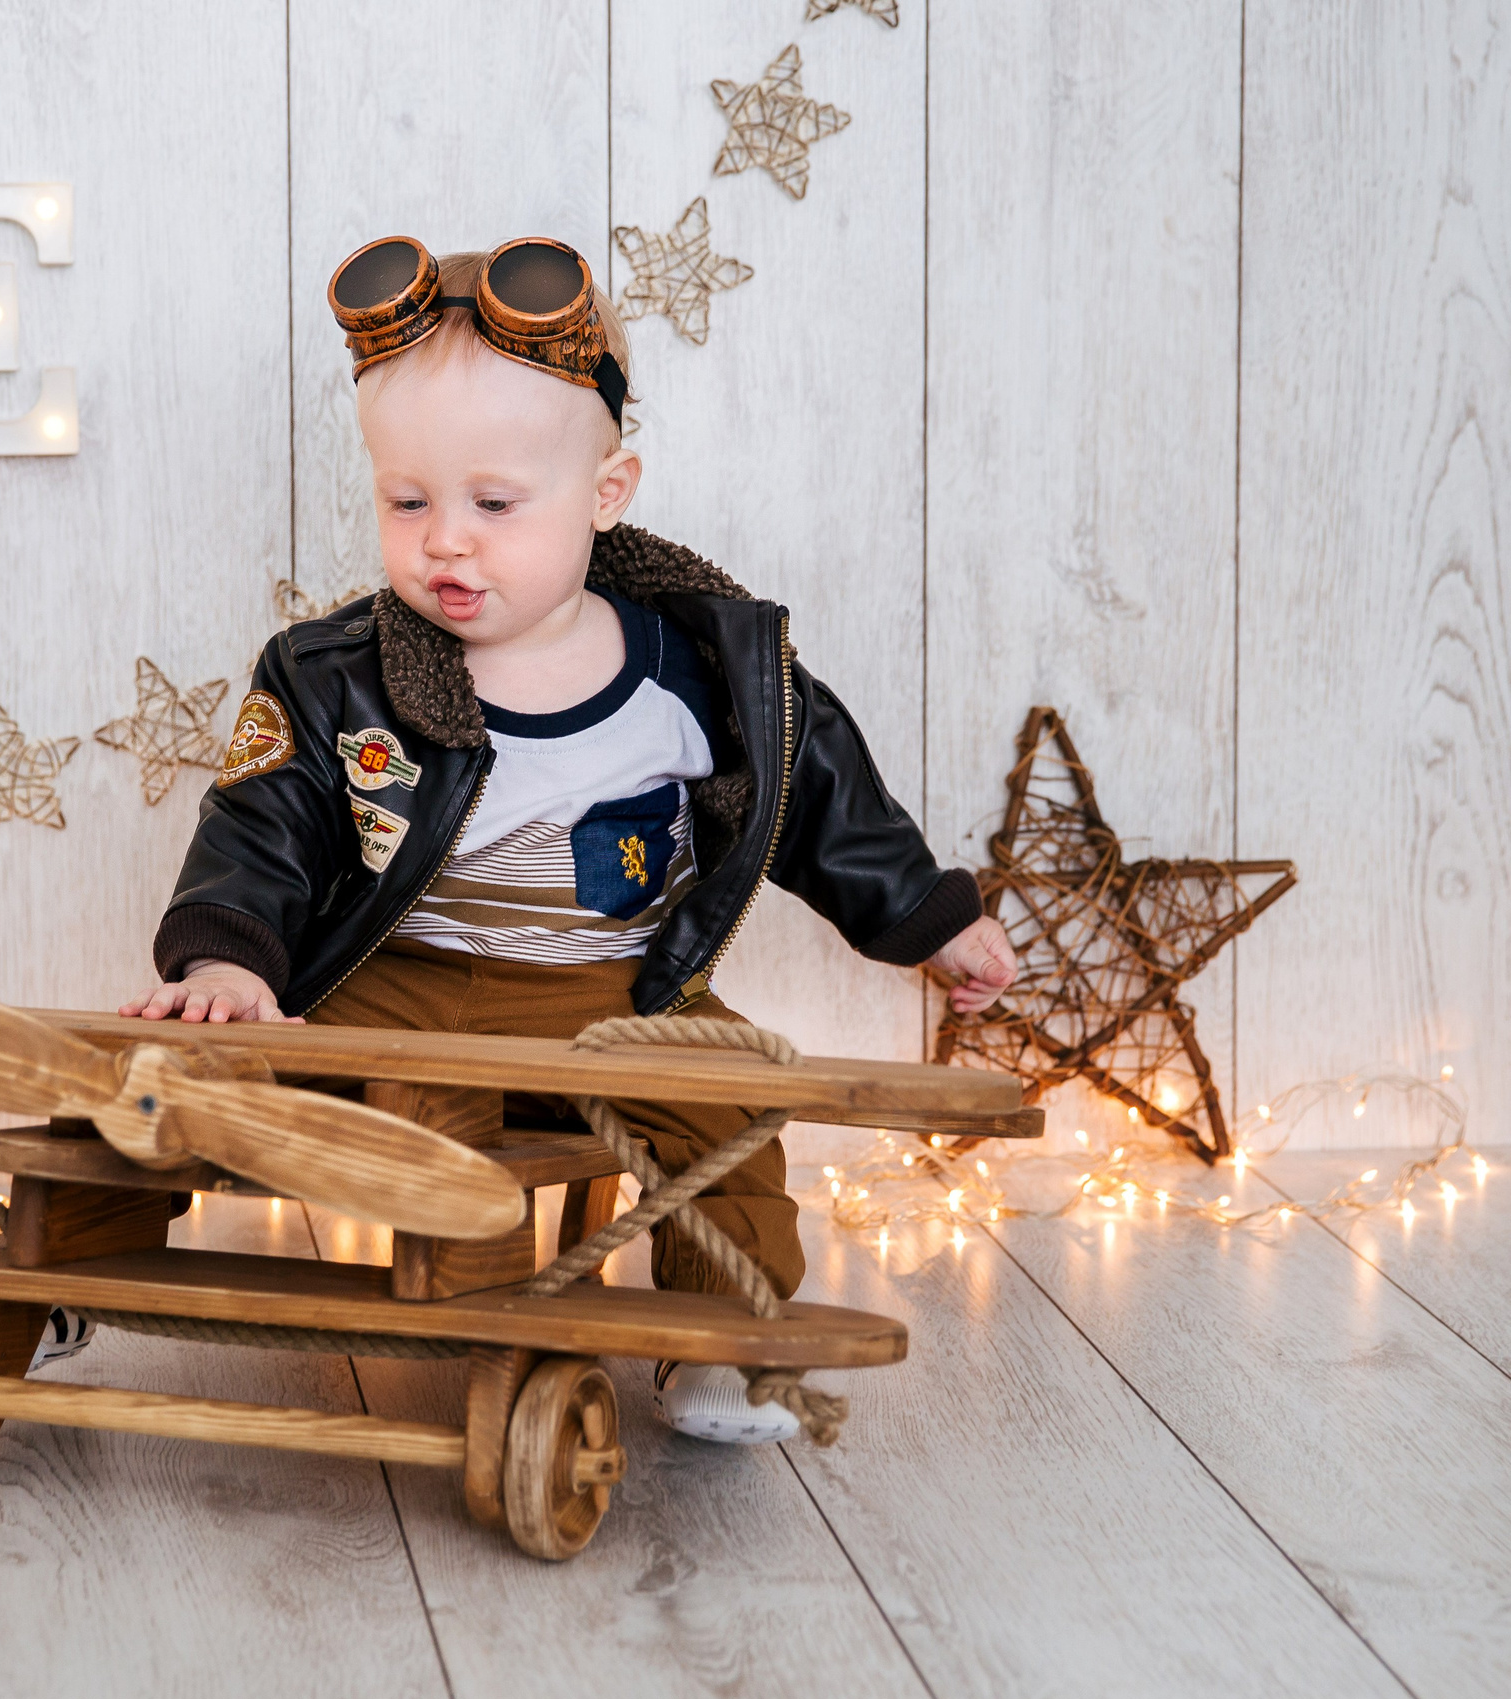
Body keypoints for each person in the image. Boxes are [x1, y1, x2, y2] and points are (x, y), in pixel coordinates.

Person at [115, 235, 1016, 1442]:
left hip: (620, 992)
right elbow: (262, 817)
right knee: (172, 1075)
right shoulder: (337, 675)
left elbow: (824, 796)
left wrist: (929, 919)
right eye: (406, 501)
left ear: (605, 494)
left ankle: (724, 1341)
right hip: (396, 986)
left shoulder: (705, 674)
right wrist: (228, 960)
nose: (445, 539)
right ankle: (82, 1257)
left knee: (735, 1114)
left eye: (494, 504)